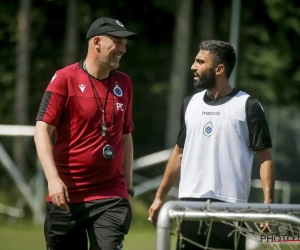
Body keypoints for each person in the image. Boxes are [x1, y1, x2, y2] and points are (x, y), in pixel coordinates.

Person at [148, 40, 275, 250]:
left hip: (230, 208)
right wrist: (159, 197)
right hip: (188, 206)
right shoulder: (190, 103)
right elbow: (179, 153)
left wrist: (267, 201)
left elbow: (265, 158)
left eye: (200, 62)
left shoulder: (248, 106)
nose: (193, 67)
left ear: (219, 69)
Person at [34, 17, 139, 250]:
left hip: (111, 194)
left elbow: (125, 137)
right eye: (116, 42)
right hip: (67, 195)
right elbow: (42, 131)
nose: (122, 49)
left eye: (125, 44)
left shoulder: (125, 84)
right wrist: (53, 180)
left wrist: (128, 190)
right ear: (96, 42)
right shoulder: (64, 78)